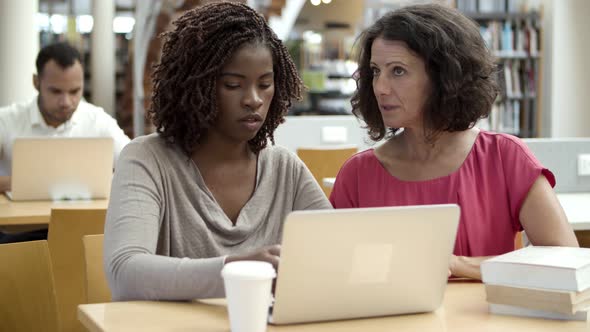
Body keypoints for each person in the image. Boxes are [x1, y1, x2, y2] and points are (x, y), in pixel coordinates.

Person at [329, 4, 578, 280]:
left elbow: (565, 257)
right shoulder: (357, 175)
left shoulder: (505, 157)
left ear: (444, 77)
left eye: (398, 71)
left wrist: (459, 265)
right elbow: (335, 270)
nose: (380, 87)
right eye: (376, 71)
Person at [103, 2, 331, 301]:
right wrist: (234, 271)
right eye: (233, 85)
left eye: (265, 84)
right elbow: (125, 273)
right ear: (194, 85)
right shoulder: (147, 159)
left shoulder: (284, 167)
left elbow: (335, 252)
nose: (254, 100)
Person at [0, 42, 130, 244]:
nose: (66, 102)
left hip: (84, 231)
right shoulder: (7, 120)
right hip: (19, 233)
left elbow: (134, 165)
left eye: (75, 91)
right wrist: (15, 183)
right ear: (36, 82)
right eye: (56, 91)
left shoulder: (97, 120)